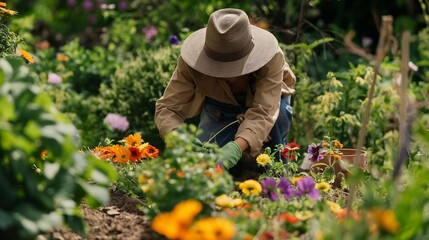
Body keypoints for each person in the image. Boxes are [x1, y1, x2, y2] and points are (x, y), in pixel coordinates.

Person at [155, 8, 296, 169]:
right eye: (220, 67)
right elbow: (167, 108)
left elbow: (265, 110)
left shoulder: (271, 57)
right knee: (205, 164)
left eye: (235, 67)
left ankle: (275, 168)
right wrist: (179, 138)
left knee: (276, 149)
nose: (229, 75)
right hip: (220, 107)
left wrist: (236, 148)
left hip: (271, 108)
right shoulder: (190, 63)